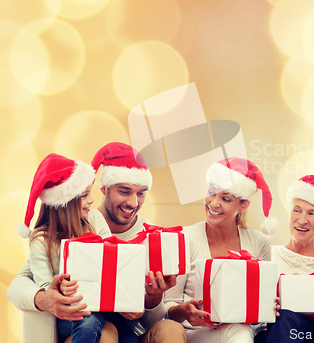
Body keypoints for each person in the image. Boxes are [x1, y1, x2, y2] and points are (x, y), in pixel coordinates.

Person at [7, 142, 185, 343]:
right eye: (125, 191)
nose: (134, 203)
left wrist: (148, 300)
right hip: (82, 317)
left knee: (145, 331)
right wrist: (45, 296)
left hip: (120, 319)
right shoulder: (49, 237)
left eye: (141, 192)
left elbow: (149, 319)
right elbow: (18, 285)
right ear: (104, 188)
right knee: (102, 330)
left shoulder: (151, 238)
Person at [141, 157, 275, 343]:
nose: (213, 203)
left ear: (243, 206)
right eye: (211, 192)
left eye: (225, 199)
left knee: (240, 330)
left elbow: (260, 315)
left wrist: (267, 306)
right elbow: (167, 308)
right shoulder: (185, 238)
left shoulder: (259, 242)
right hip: (188, 333)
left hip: (236, 332)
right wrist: (184, 311)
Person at [21, 153, 115, 343]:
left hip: (102, 304)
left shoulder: (94, 220)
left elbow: (113, 257)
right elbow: (47, 288)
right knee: (87, 318)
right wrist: (60, 288)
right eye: (84, 196)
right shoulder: (40, 240)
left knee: (128, 336)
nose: (91, 200)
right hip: (69, 312)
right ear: (65, 204)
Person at [255, 173, 314, 343]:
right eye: (297, 210)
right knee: (279, 321)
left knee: (286, 317)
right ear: (289, 212)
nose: (302, 220)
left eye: (312, 214)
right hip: (269, 333)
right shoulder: (267, 255)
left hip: (312, 336)